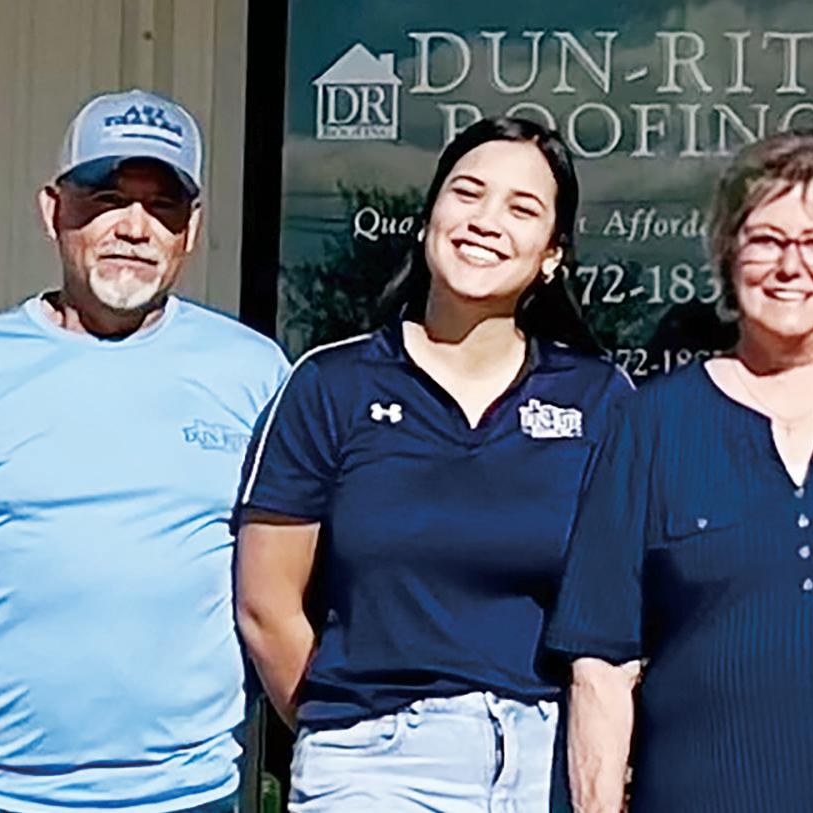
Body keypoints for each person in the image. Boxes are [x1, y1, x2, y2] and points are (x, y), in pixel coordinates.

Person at [0, 89, 283, 813]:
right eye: (106, 198)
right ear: (53, 211)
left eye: (162, 206)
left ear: (192, 229)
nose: (134, 227)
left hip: (185, 797)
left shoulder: (255, 374)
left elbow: (294, 588)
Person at [548, 129, 813, 812]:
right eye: (765, 239)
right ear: (728, 254)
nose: (789, 266)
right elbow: (601, 664)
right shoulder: (652, 422)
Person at [234, 116, 630, 812]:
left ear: (552, 256)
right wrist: (349, 735)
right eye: (467, 193)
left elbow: (625, 617)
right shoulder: (331, 384)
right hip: (375, 766)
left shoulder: (600, 398)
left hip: (546, 766)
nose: (486, 221)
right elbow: (266, 605)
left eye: (522, 209)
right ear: (427, 221)